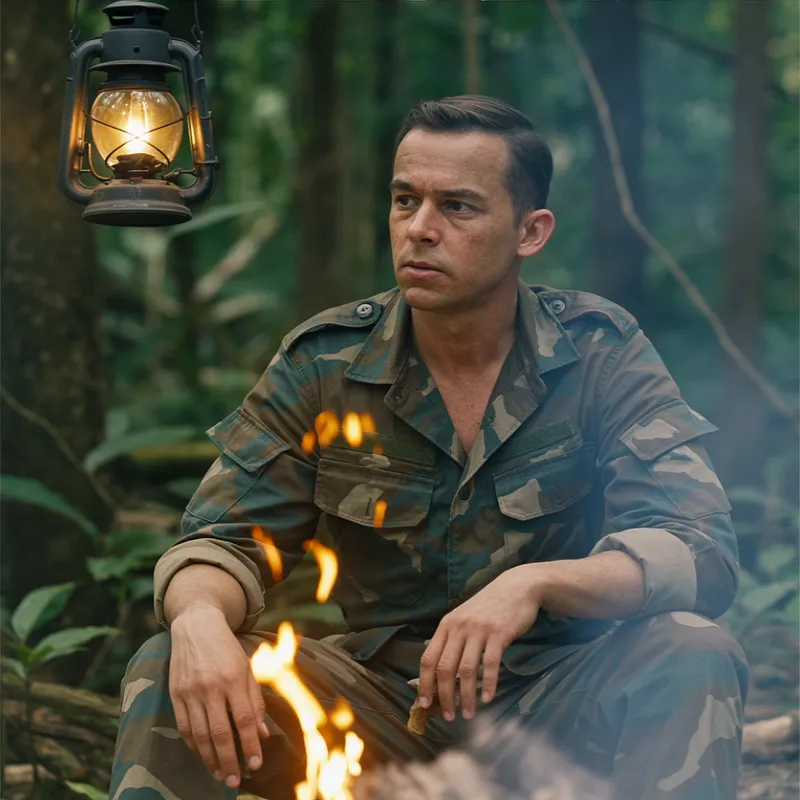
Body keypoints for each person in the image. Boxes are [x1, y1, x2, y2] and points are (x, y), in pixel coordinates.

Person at [110, 95, 748, 800]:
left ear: (529, 232)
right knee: (170, 660)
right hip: (379, 718)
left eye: (458, 207)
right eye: (405, 199)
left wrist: (534, 584)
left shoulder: (599, 352)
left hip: (561, 708)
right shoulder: (326, 363)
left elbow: (699, 549)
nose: (420, 229)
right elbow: (223, 540)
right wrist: (198, 618)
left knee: (692, 649)